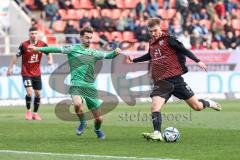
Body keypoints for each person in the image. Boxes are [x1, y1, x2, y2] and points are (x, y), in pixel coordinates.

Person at [128, 17, 221, 141]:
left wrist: (197, 61)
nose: (153, 33)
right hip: (162, 82)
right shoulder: (151, 43)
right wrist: (134, 60)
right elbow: (150, 55)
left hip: (176, 80)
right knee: (155, 106)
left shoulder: (169, 40)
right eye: (151, 31)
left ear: (160, 27)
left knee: (197, 107)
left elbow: (184, 50)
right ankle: (157, 133)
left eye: (155, 30)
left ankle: (208, 102)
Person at [29, 27, 121, 139]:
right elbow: (55, 49)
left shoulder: (94, 52)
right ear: (81, 37)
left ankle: (97, 129)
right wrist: (37, 49)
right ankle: (83, 122)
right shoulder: (72, 49)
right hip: (76, 84)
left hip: (90, 86)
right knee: (77, 104)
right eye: (87, 37)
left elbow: (108, 56)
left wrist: (115, 52)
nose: (89, 40)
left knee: (99, 119)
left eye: (90, 38)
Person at [7, 27, 53, 121]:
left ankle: (35, 114)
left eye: (35, 33)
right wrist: (10, 68)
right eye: (32, 33)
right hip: (26, 73)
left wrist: (50, 59)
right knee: (29, 92)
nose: (34, 35)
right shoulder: (24, 45)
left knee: (38, 94)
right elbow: (16, 56)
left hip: (37, 73)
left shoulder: (42, 44)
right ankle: (28, 111)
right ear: (29, 34)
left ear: (38, 34)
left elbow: (49, 52)